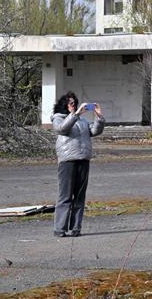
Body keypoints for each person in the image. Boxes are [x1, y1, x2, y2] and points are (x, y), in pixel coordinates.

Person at [51, 91, 105, 237]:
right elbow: (62, 129)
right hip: (67, 161)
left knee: (80, 197)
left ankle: (76, 228)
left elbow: (94, 131)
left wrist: (99, 116)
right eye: (70, 103)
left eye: (74, 102)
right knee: (65, 196)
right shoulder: (58, 118)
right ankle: (59, 229)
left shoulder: (81, 121)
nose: (73, 105)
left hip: (83, 159)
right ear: (64, 105)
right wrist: (75, 115)